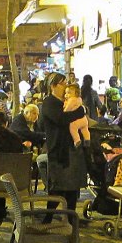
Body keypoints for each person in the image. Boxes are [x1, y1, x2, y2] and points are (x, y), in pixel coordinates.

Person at [40, 73, 88, 217]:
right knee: (57, 187)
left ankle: (71, 218)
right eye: (63, 84)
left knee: (72, 188)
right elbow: (61, 119)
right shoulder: (49, 103)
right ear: (53, 86)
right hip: (58, 150)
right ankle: (48, 218)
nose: (66, 86)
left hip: (70, 149)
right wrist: (80, 111)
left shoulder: (67, 102)